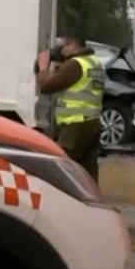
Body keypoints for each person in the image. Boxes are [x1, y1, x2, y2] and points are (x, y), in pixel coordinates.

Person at [35, 35, 106, 181]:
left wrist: (43, 68)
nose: (61, 51)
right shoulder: (94, 62)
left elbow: (46, 86)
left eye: (64, 46)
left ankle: (63, 201)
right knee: (88, 172)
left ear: (74, 44)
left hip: (75, 125)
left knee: (63, 168)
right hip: (92, 122)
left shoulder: (75, 65)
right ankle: (91, 201)